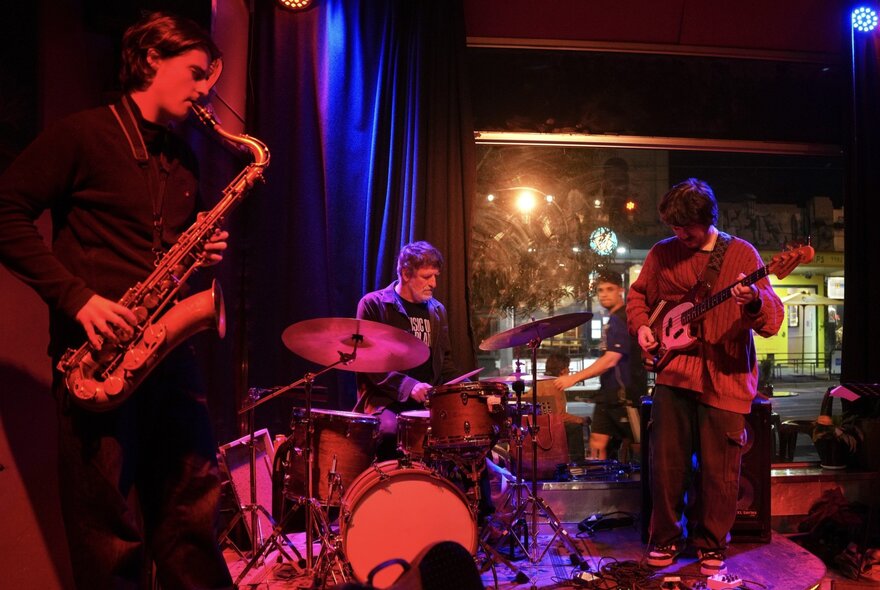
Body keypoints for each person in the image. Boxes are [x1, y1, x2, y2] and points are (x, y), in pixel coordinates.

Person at [0, 13, 234, 589]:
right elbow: (5, 213)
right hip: (98, 359)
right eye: (198, 73)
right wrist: (78, 299)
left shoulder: (184, 159)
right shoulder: (80, 134)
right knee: (107, 535)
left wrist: (198, 257)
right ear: (152, 58)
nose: (207, 90)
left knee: (191, 520)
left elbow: (160, 254)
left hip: (169, 358)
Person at [625, 178, 783, 576]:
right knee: (667, 465)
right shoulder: (663, 253)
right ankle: (664, 538)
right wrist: (642, 326)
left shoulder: (743, 254)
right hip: (674, 372)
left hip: (726, 376)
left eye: (686, 229)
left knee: (720, 471)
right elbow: (638, 295)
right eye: (674, 228)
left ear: (707, 219)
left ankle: (712, 546)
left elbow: (772, 321)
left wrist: (754, 302)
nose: (679, 236)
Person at [354, 241, 462, 460]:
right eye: (426, 276)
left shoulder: (437, 311)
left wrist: (468, 390)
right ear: (405, 273)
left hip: (427, 403)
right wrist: (409, 386)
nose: (433, 283)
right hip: (384, 401)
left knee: (465, 432)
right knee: (389, 433)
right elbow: (369, 363)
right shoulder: (374, 305)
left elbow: (445, 363)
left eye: (435, 276)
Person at [553, 271, 646, 460]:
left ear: (621, 290)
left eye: (610, 289)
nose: (604, 294)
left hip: (625, 396)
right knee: (596, 444)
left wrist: (574, 378)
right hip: (608, 396)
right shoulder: (611, 320)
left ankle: (641, 486)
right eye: (600, 290)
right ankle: (601, 487)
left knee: (640, 447)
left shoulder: (622, 318)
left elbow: (611, 358)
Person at [537, 351, 586, 462]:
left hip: (541, 424)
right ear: (562, 370)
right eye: (568, 367)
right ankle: (577, 463)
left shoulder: (540, 383)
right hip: (549, 427)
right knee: (575, 427)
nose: (569, 371)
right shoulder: (555, 385)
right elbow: (559, 416)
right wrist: (581, 420)